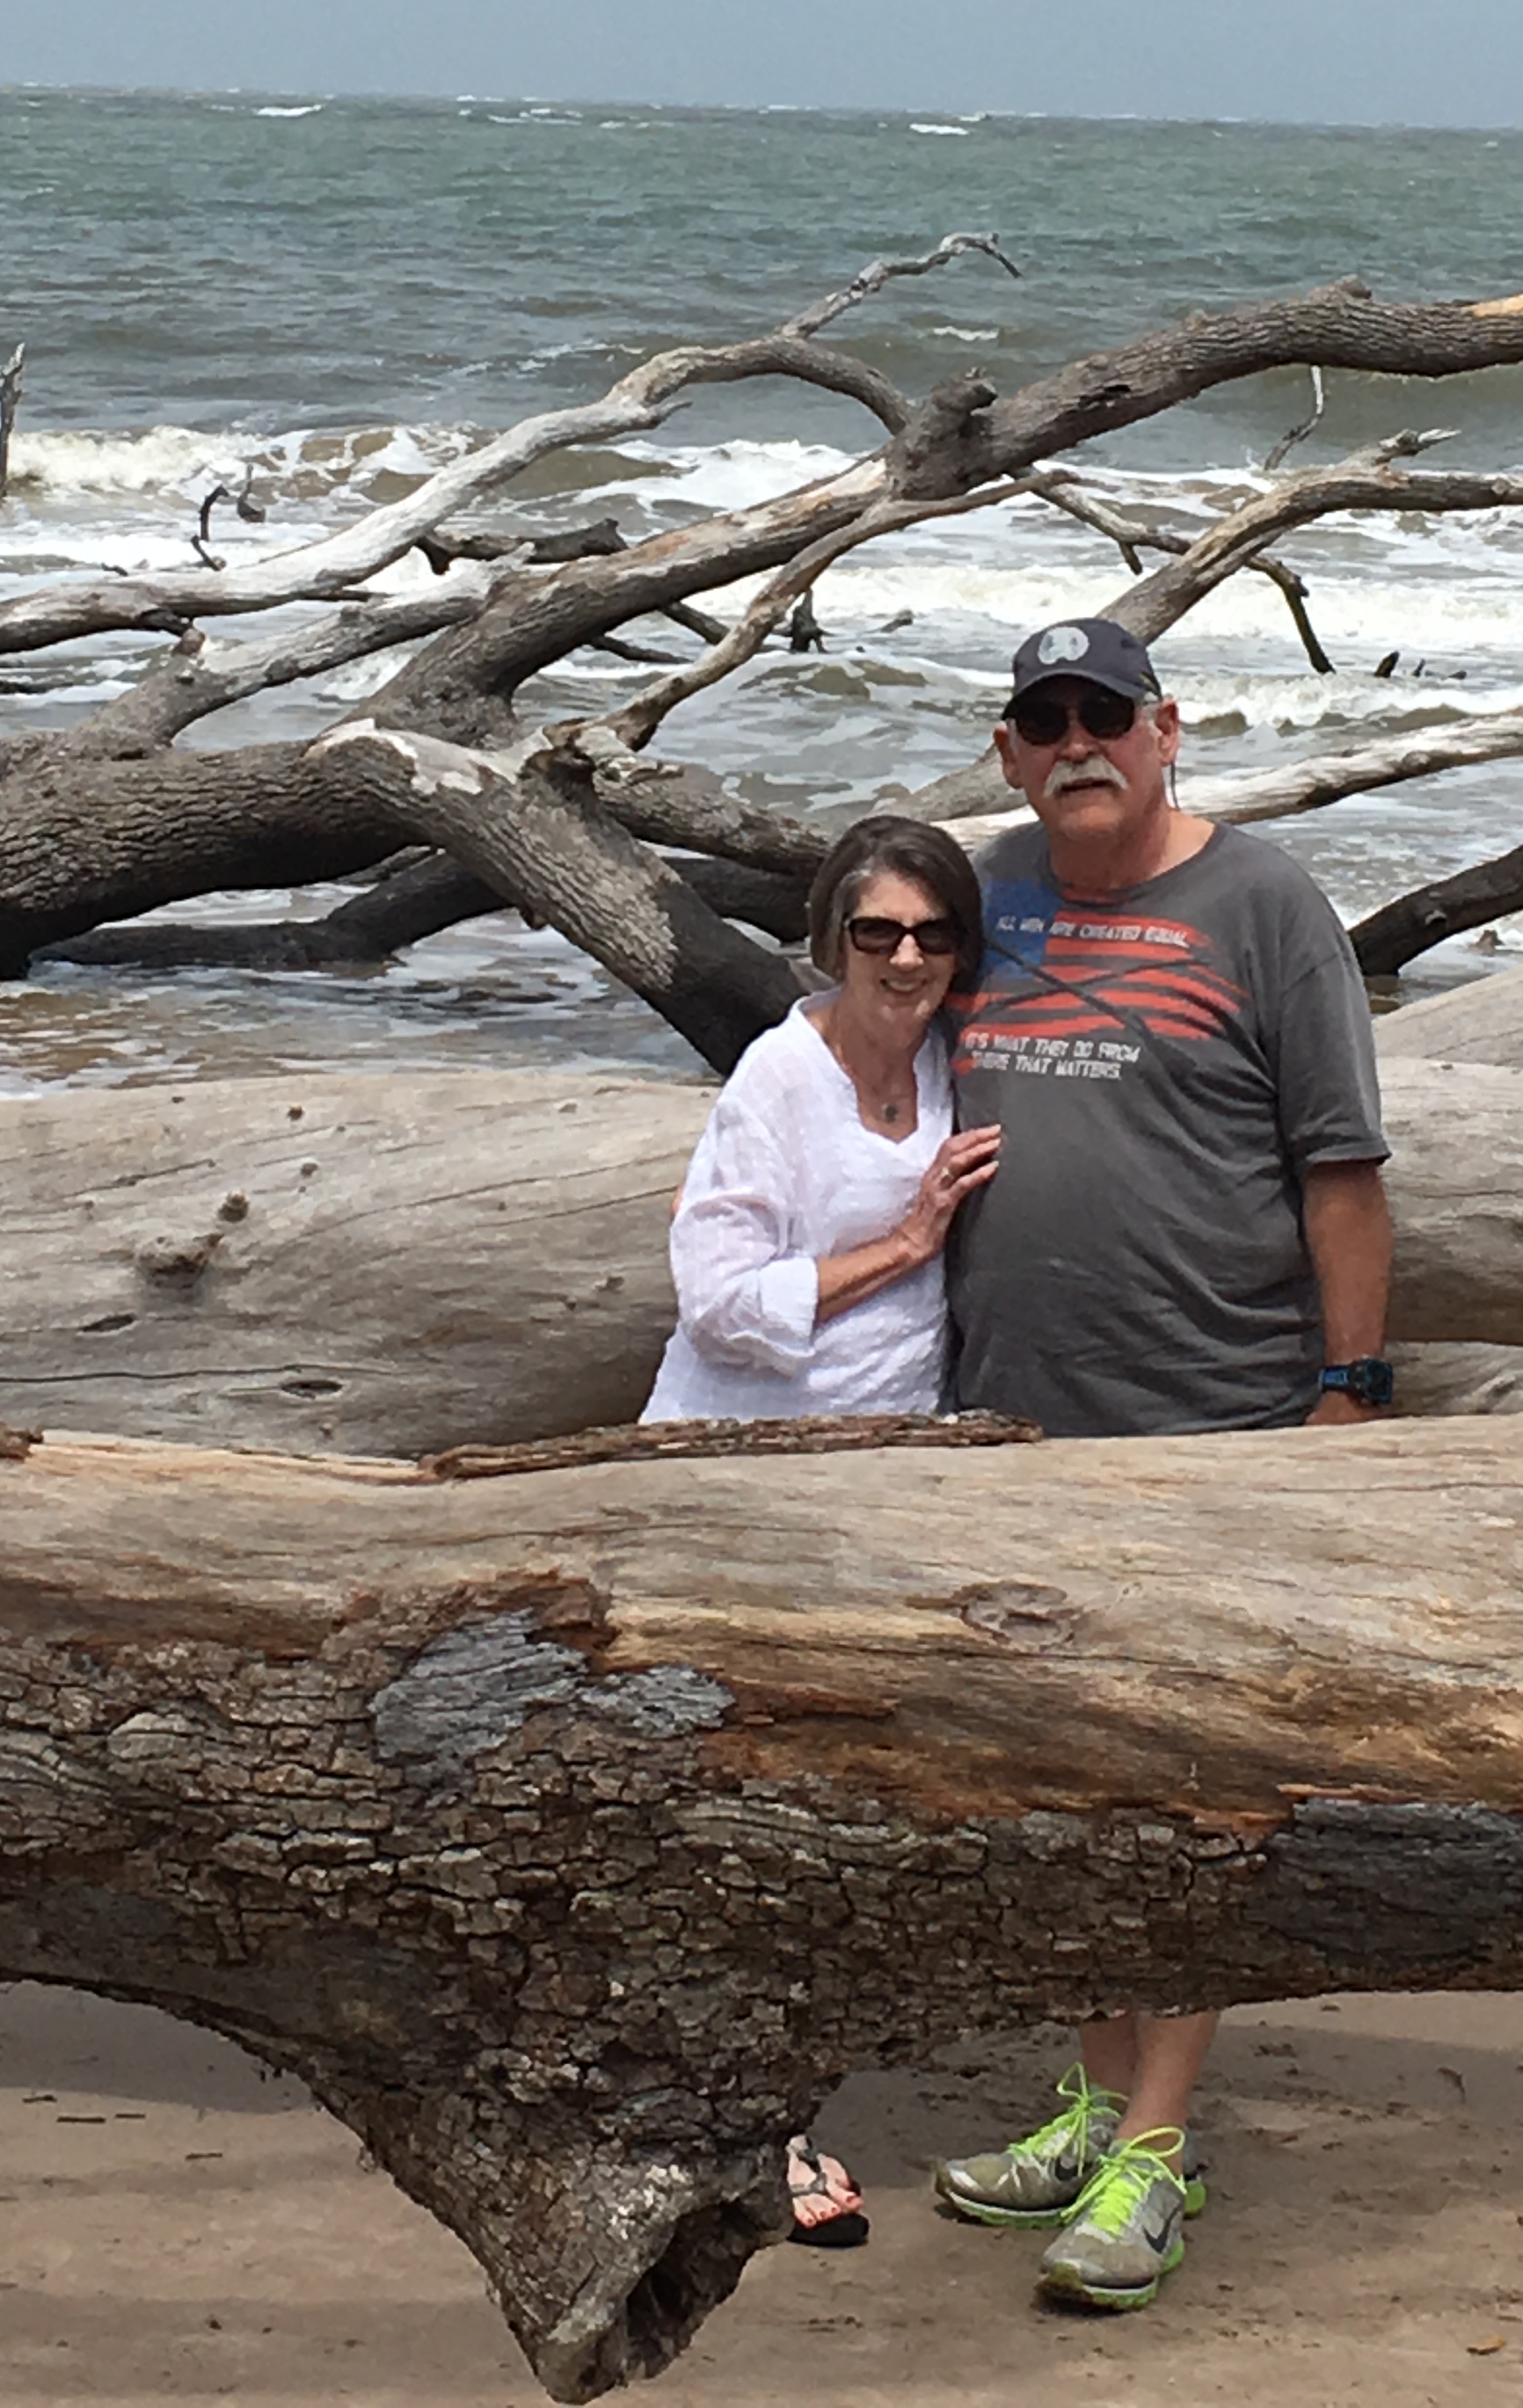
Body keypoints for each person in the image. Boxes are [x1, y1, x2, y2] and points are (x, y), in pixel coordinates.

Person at [930, 615, 1395, 2315]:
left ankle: (1160, 2148)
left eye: (1104, 717)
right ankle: (1093, 2099)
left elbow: (1342, 1168)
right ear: (1009, 752)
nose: (1079, 744)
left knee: (1187, 1797)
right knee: (1050, 1785)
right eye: (1044, 720)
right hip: (1003, 1416)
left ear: (1166, 729)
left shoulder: (1263, 904)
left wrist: (1349, 1392)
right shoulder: (982, 894)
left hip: (1215, 1419)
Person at [639, 811, 1002, 2250]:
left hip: (884, 1483)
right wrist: (902, 1246)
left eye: (933, 934)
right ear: (829, 941)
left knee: (834, 1805)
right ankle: (760, 2123)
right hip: (740, 1485)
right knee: (739, 1811)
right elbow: (718, 1298)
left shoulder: (947, 1057)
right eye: (877, 933)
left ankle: (768, 2088)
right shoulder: (780, 1075)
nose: (906, 959)